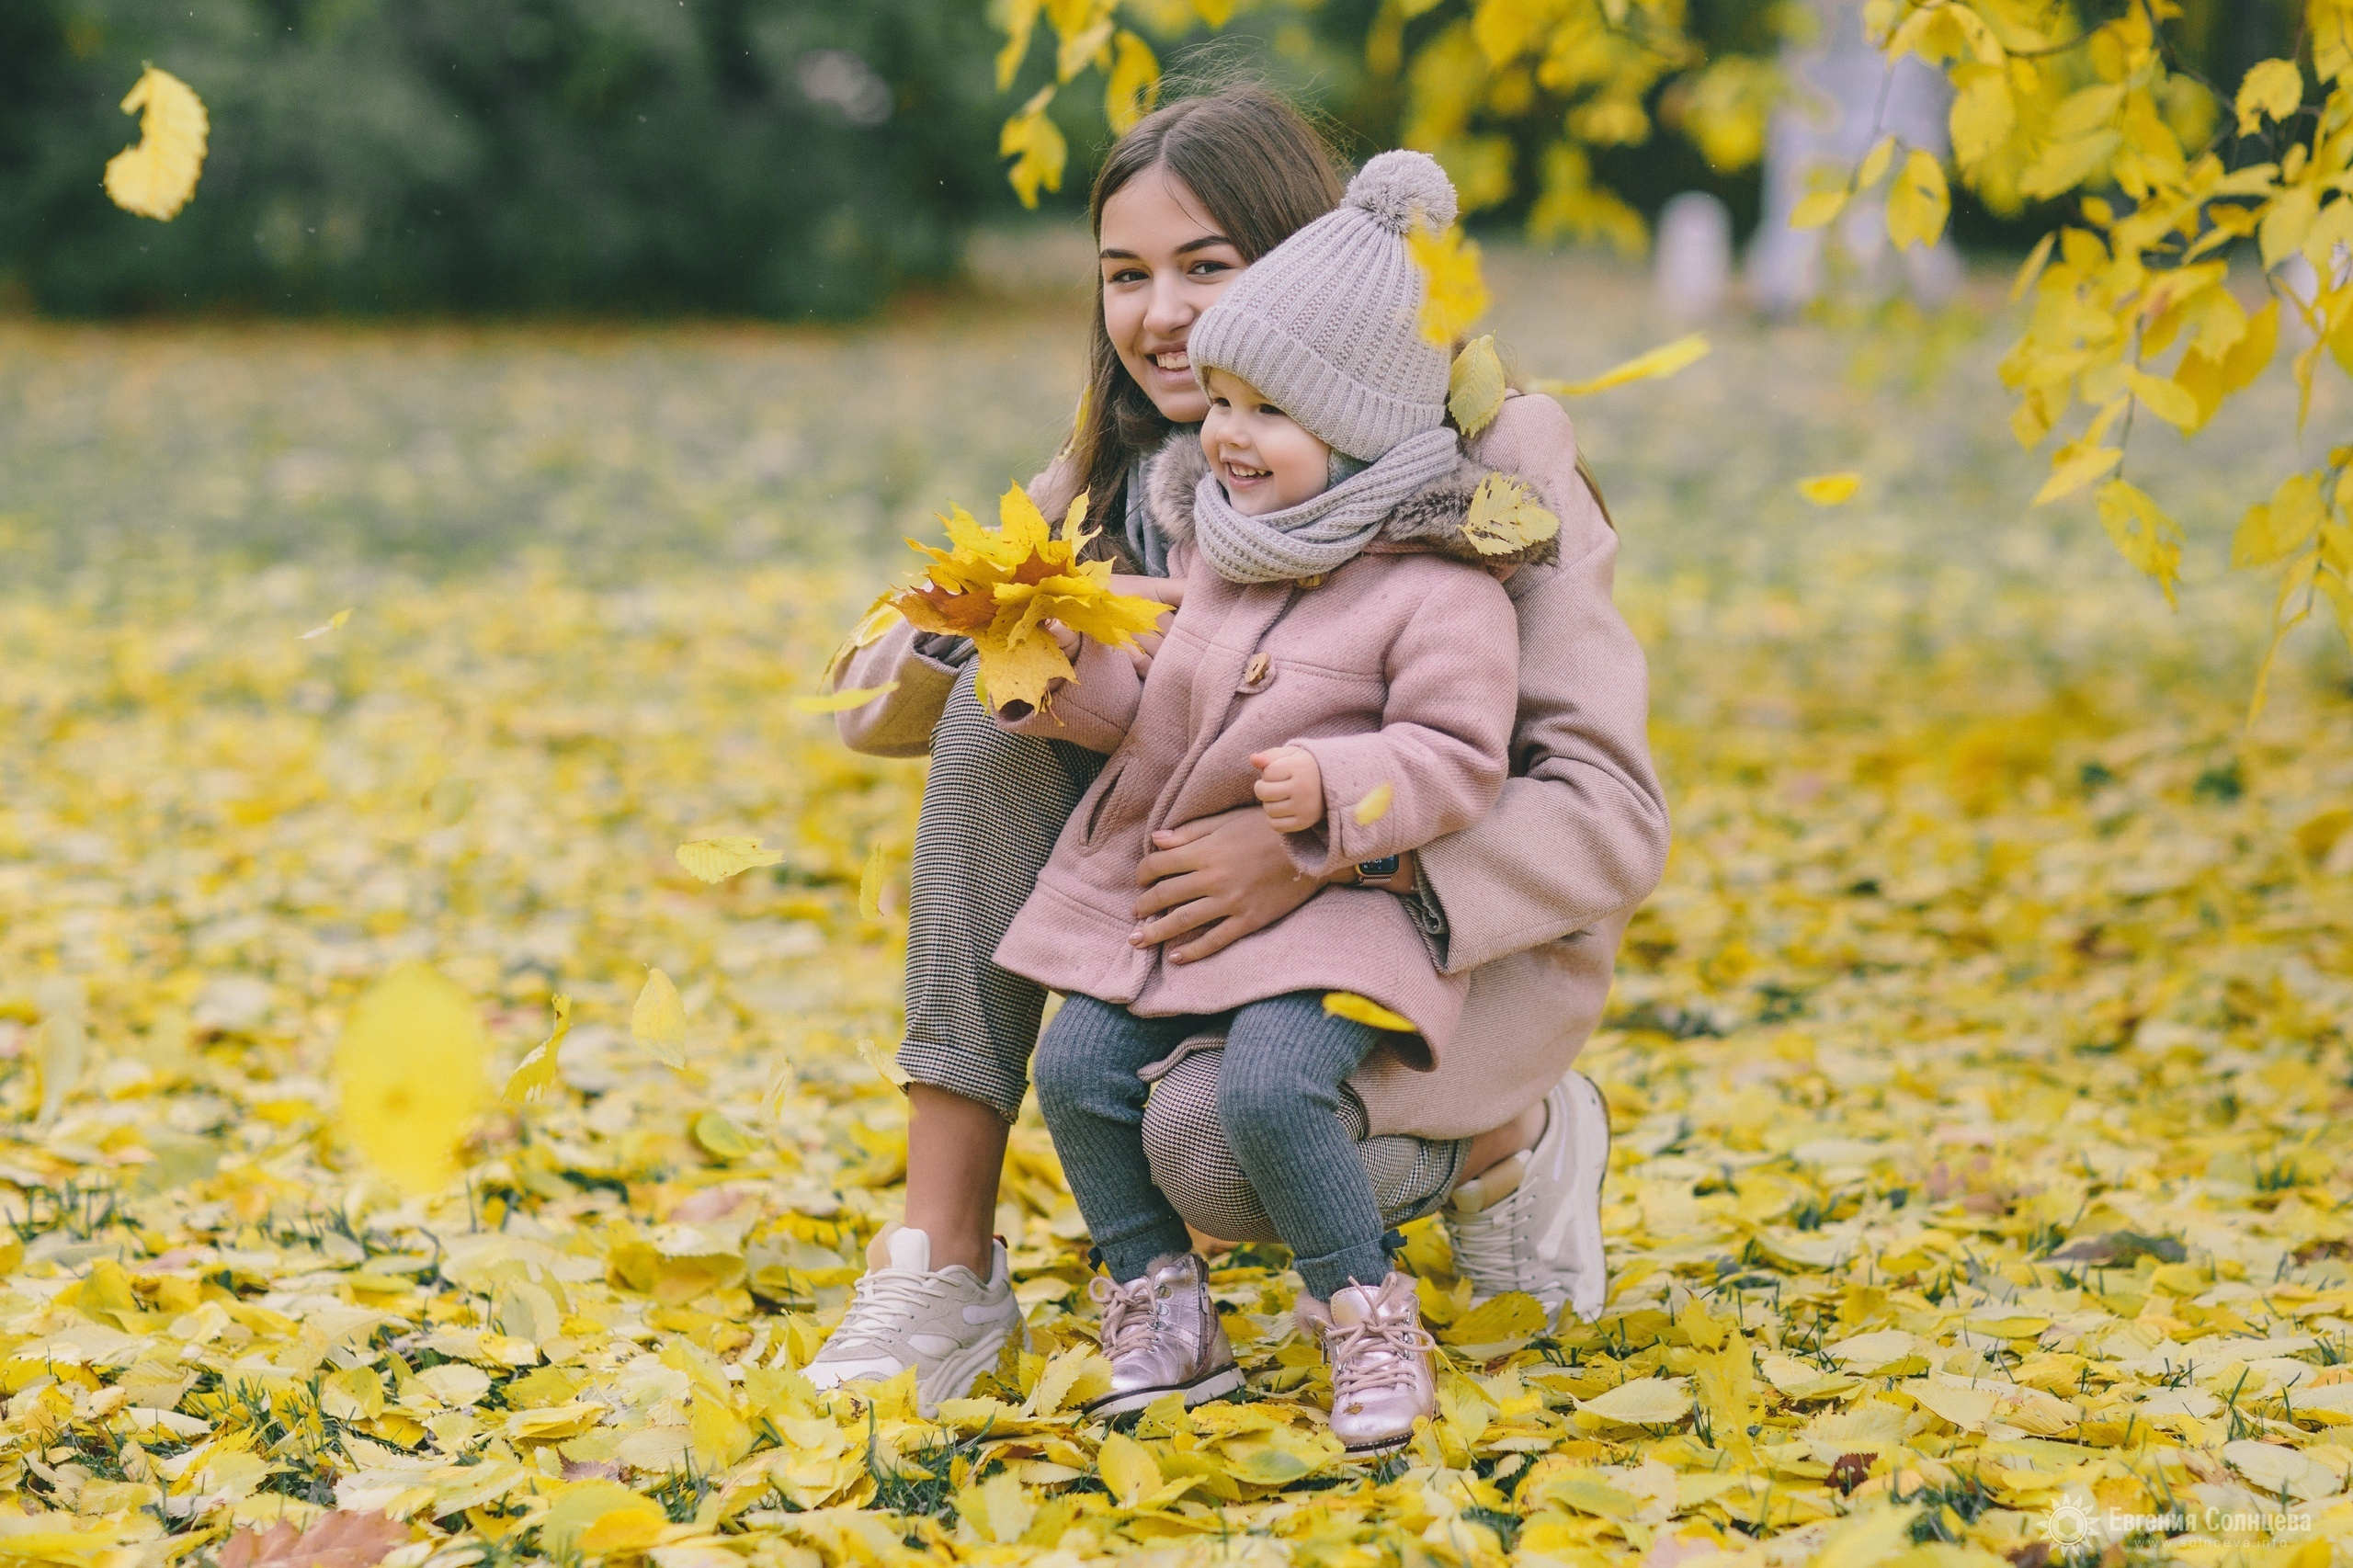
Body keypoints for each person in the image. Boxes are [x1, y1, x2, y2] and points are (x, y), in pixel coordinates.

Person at [813, 85, 1668, 1415]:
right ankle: (944, 1258)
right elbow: (870, 703)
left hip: (1429, 934)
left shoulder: (1493, 461)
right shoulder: (1135, 465)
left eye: (1208, 267)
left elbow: (1608, 815)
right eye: (1125, 275)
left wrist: (1321, 853)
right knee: (1002, 700)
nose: (1164, 315)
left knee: (1209, 1150)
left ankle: (1512, 1138)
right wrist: (989, 618)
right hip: (1201, 945)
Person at [994, 150, 1549, 1454]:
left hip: (1333, 921)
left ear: (1358, 427)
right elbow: (1161, 710)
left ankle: (1361, 1303)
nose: (1224, 435)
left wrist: (1341, 787)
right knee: (1074, 1061)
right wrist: (1066, 687)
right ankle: (1159, 1294)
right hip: (1188, 915)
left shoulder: (1438, 588)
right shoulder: (1225, 559)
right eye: (1223, 404)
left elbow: (1462, 754)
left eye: (1267, 412)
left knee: (1273, 1087)